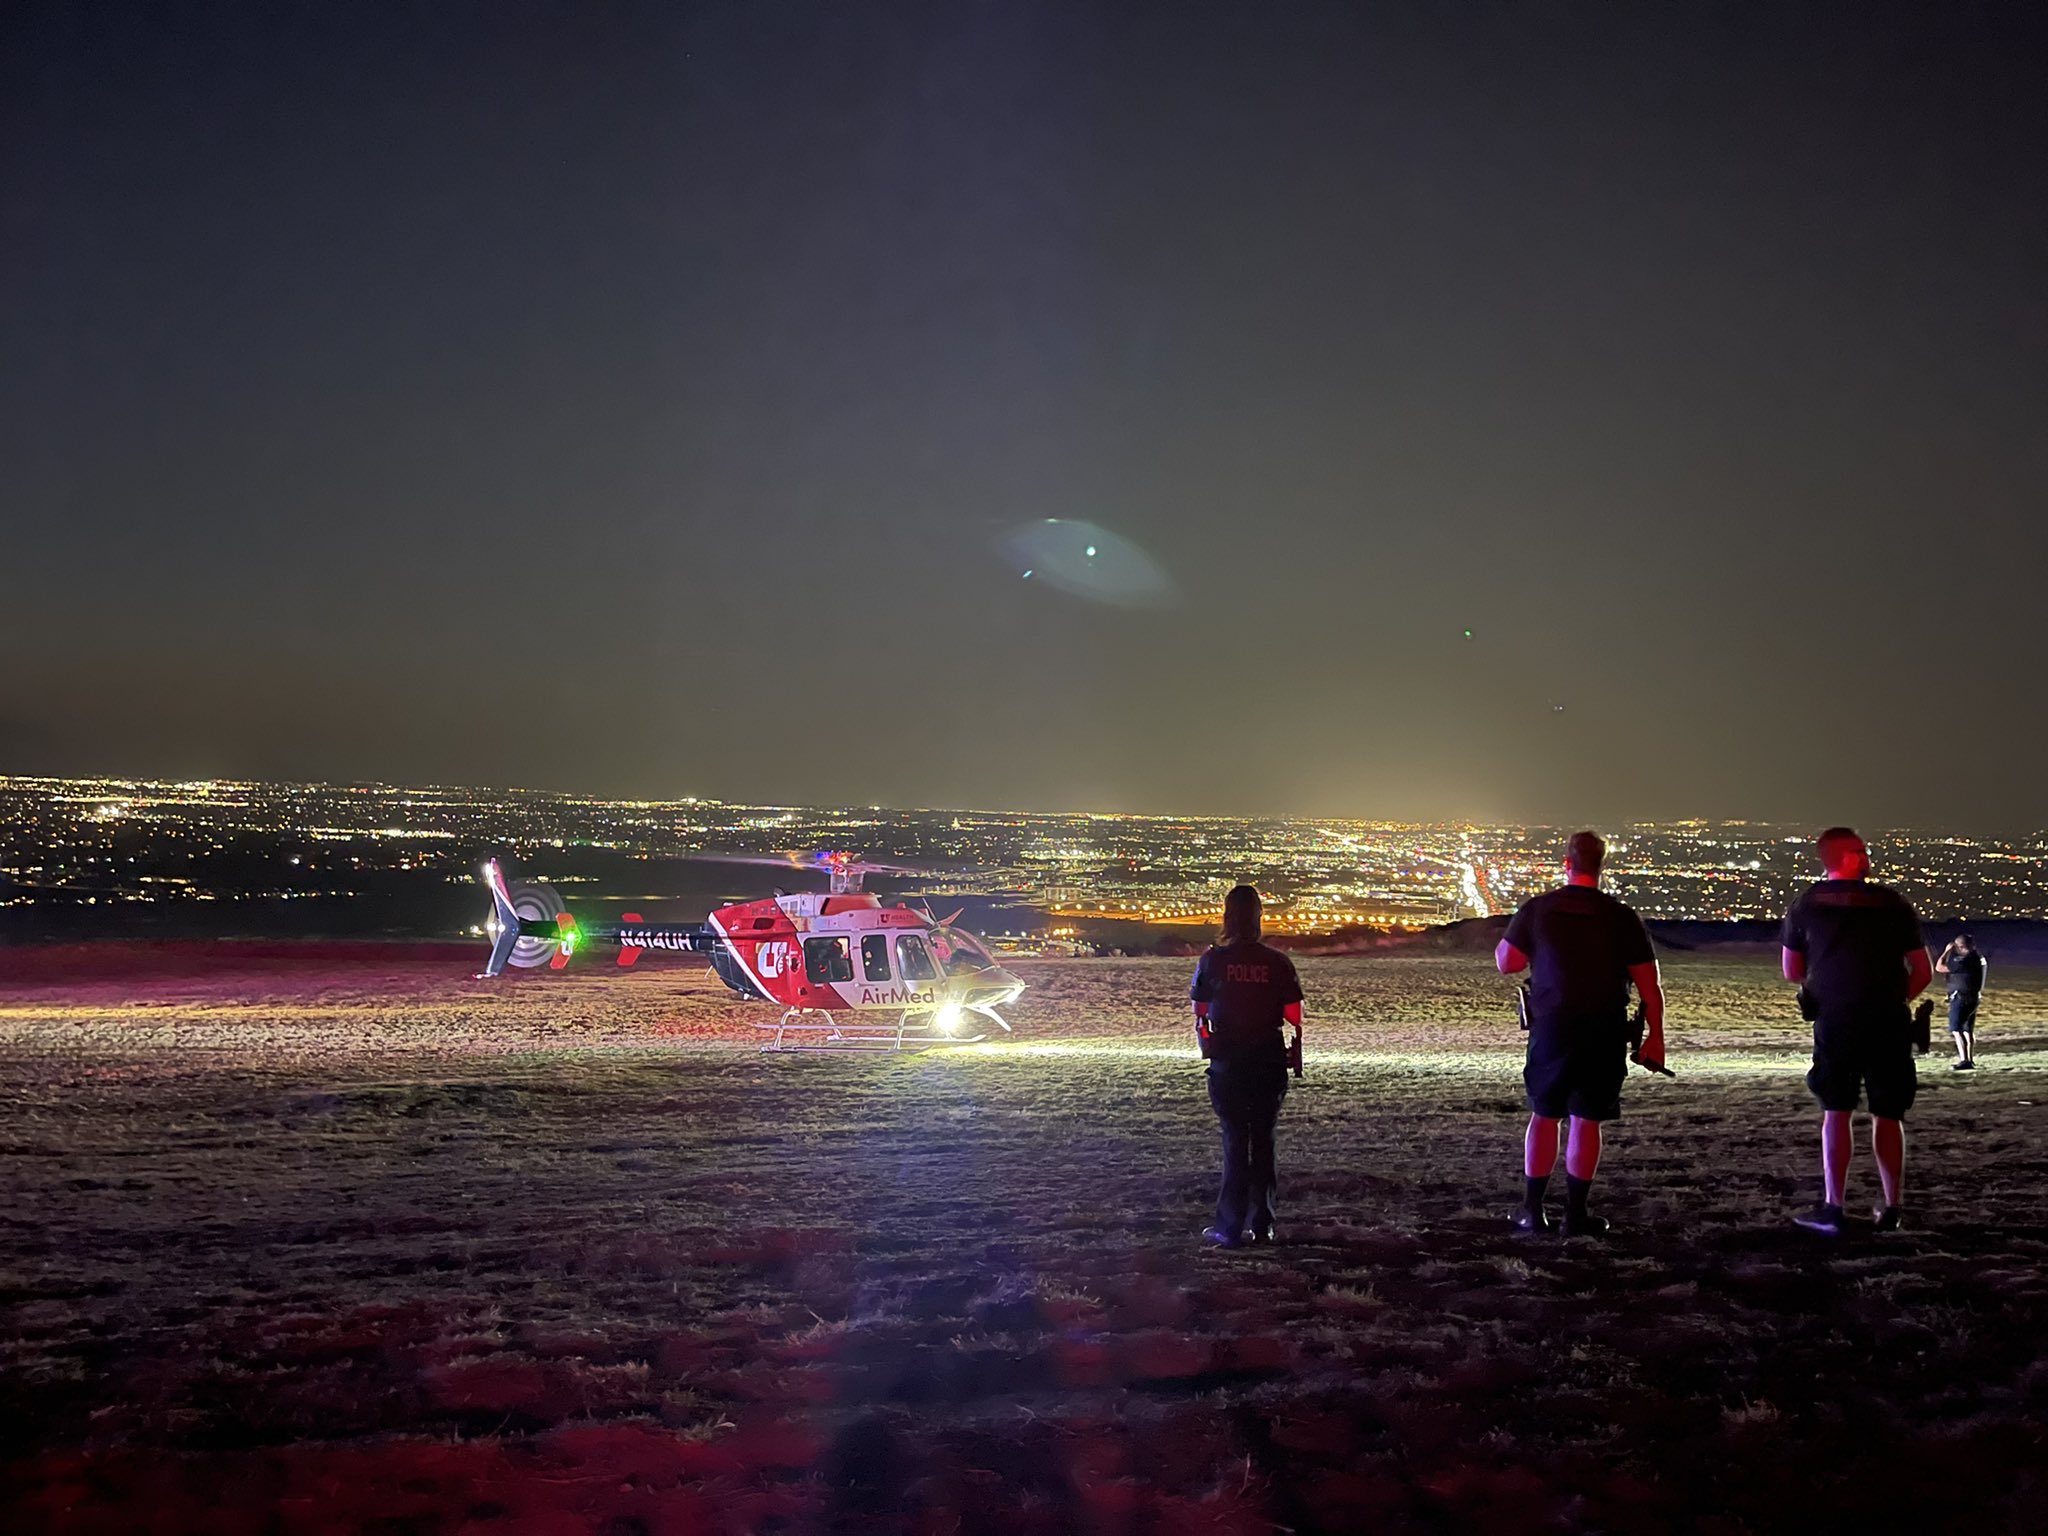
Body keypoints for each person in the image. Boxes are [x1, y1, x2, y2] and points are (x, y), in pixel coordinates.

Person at [1496, 830, 1665, 1237]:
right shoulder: (1621, 916)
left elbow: (1506, 962)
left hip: (1552, 1028)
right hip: (1604, 1030)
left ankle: (1532, 1212)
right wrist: (1655, 1037)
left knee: (1544, 1115)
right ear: (1601, 866)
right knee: (1587, 1121)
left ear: (1566, 864)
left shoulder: (1538, 910)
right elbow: (1649, 986)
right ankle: (1575, 1215)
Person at [1781, 827, 1932, 1235]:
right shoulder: (1891, 903)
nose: (1867, 857)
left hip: (1835, 1021)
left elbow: (1791, 970)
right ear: (1842, 856)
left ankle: (1834, 1207)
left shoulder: (1806, 905)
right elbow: (1922, 970)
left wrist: (1827, 988)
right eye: (1860, 851)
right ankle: (1892, 1206)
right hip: (1889, 1023)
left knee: (1836, 1111)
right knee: (1888, 1113)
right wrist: (1894, 999)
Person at [1189, 885, 1303, 1248]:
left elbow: (1200, 1009)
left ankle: (1229, 1227)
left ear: (1227, 917)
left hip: (1228, 1063)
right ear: (1258, 917)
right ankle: (1263, 1224)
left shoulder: (1212, 960)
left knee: (1235, 1141)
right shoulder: (1277, 962)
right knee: (1264, 1141)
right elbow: (1293, 1014)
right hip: (1268, 1061)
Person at [1934, 933, 1985, 1070]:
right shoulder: (1978, 958)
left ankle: (1964, 1060)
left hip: (1961, 998)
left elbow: (1939, 967)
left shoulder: (1963, 961)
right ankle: (1970, 1059)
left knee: (1956, 1029)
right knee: (1967, 1030)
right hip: (1974, 998)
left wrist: (1947, 951)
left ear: (1960, 946)